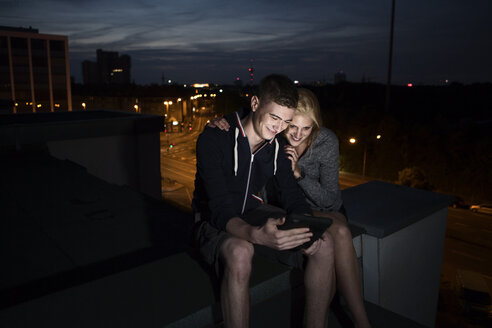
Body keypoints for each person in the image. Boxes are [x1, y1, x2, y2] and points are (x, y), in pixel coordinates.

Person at [209, 88, 371, 328]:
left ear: (315, 125)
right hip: (285, 208)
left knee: (339, 231)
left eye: (306, 128)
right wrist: (221, 120)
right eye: (292, 126)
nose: (297, 134)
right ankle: (333, 317)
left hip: (324, 207)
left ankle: (360, 321)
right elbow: (256, 114)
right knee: (336, 235)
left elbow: (331, 200)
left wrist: (299, 174)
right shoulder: (275, 136)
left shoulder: (325, 141)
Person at [193, 75, 336, 328]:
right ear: (256, 103)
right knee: (241, 251)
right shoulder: (214, 138)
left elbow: (291, 195)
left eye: (286, 121)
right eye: (274, 117)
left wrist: (308, 228)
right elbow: (219, 210)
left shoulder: (277, 146)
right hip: (212, 222)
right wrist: (257, 235)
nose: (279, 128)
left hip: (252, 212)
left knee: (324, 243)